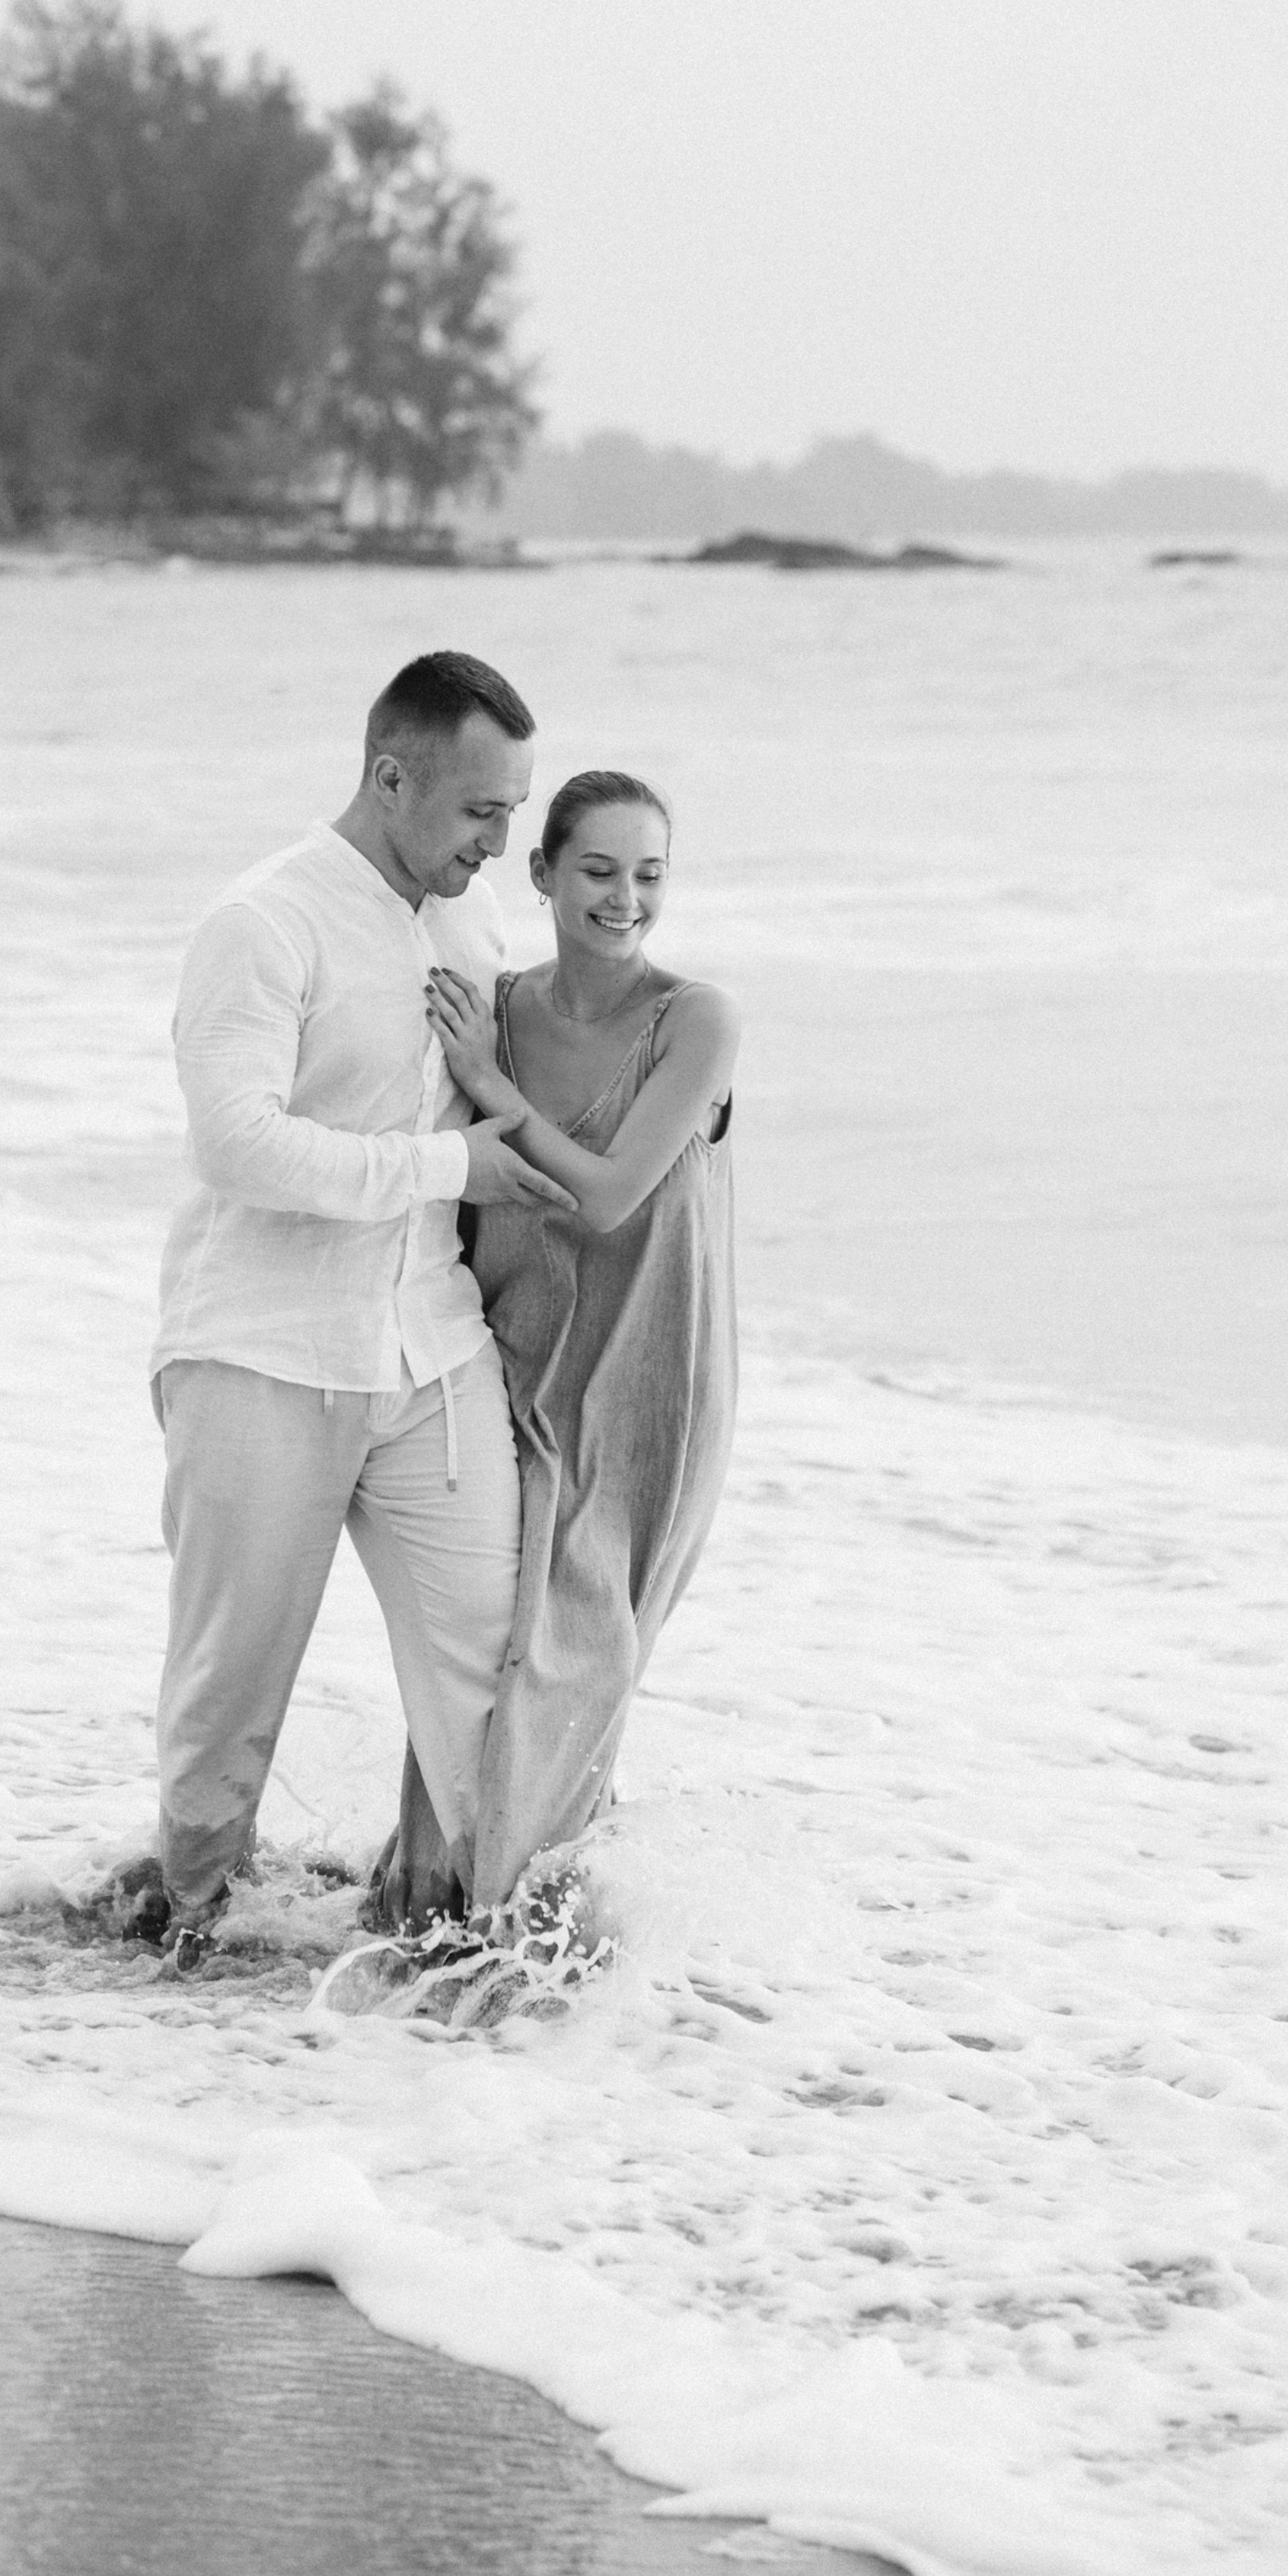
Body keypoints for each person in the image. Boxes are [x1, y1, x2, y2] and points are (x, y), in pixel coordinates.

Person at [120, 651, 574, 1965]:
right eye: (482, 812)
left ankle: (473, 1943)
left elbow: (515, 1092)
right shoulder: (262, 923)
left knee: (495, 1669)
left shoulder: (468, 924)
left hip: (432, 1349)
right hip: (261, 1355)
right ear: (390, 777)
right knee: (228, 1701)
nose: (503, 844)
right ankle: (185, 1957)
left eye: (515, 811)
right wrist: (452, 1166)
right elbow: (239, 1146)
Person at [368, 768, 739, 1936]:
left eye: (648, 874)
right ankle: (431, 1910)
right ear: (541, 874)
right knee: (485, 1643)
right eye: (597, 869)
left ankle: (530, 1933)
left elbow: (616, 1196)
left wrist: (490, 1090)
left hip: (647, 1381)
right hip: (505, 1357)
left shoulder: (697, 1020)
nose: (625, 897)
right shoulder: (493, 1004)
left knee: (577, 1656)